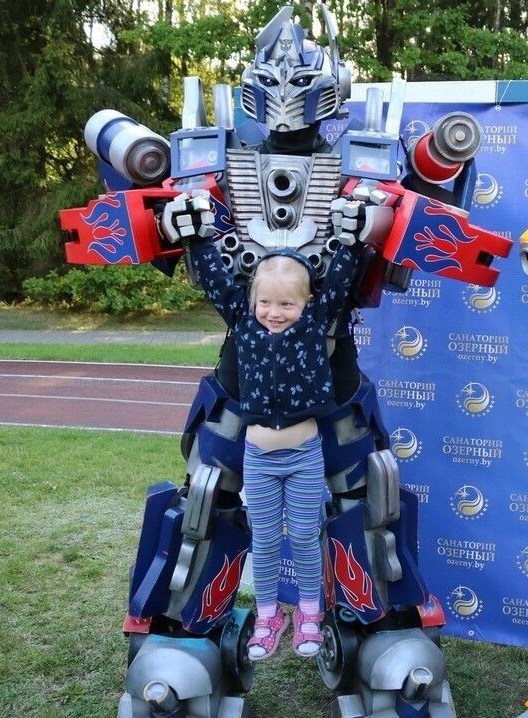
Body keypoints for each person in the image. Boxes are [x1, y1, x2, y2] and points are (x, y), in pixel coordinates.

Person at [183, 203, 359, 660]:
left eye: (286, 304)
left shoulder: (314, 326)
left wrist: (351, 241)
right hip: (258, 459)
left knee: (303, 537)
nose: (274, 313)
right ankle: (268, 616)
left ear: (306, 304)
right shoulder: (244, 326)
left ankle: (309, 615)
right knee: (263, 541)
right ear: (252, 301)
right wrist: (198, 239)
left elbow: (340, 284)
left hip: (304, 457)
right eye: (265, 302)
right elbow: (217, 282)